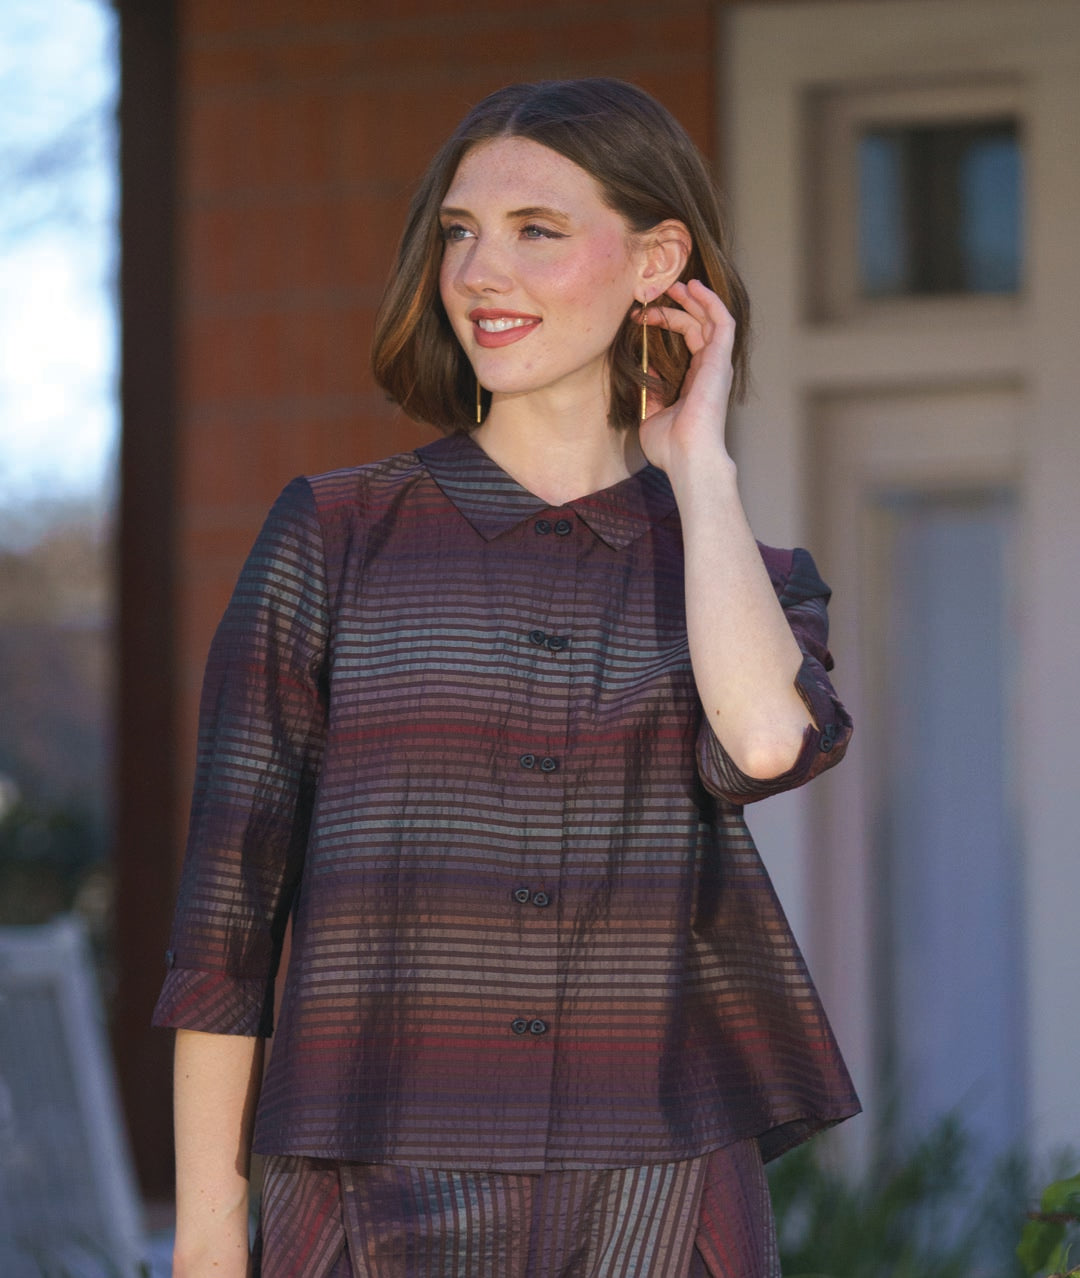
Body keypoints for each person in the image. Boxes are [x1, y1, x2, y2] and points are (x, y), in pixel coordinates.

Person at [154, 77, 859, 1278]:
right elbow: (229, 913)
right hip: (372, 1181)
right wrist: (211, 1238)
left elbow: (763, 745)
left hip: (659, 1183)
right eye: (460, 234)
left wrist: (698, 468)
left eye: (537, 231)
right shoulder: (333, 536)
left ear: (657, 262)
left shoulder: (746, 573)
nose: (483, 273)